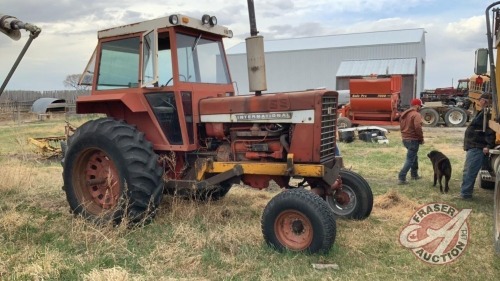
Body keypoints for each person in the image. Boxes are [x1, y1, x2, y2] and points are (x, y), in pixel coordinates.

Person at [459, 93, 496, 200]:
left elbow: (491, 131)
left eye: (480, 100)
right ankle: (465, 193)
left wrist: (488, 145)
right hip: (474, 145)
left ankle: (466, 194)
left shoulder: (488, 114)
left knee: (470, 171)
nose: (479, 102)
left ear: (484, 101)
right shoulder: (484, 112)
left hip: (477, 146)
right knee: (468, 170)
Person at [398, 98, 424, 185]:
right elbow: (418, 127)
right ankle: (402, 177)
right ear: (417, 105)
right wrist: (421, 138)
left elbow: (401, 126)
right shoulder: (416, 115)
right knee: (410, 159)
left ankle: (414, 174)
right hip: (413, 139)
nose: (420, 107)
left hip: (405, 139)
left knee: (414, 157)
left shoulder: (404, 114)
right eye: (420, 106)